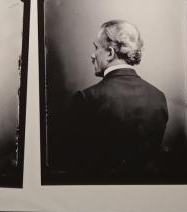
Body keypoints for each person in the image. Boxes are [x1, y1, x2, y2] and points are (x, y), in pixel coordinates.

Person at [62, 20, 168, 181]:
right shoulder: (159, 97)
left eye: (96, 47)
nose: (92, 55)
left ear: (111, 53)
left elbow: (74, 166)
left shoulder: (86, 99)